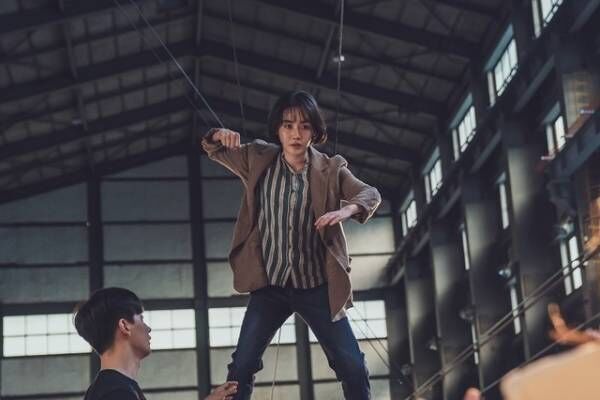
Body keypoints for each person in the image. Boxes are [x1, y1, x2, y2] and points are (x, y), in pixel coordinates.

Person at [201, 90, 382, 400]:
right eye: (288, 125)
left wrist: (347, 210)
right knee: (242, 365)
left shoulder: (331, 169)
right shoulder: (257, 159)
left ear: (315, 131)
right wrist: (219, 134)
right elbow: (213, 148)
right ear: (278, 129)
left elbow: (370, 194)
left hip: (317, 288)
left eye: (304, 126)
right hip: (270, 288)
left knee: (352, 366)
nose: (296, 134)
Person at [74, 287, 238, 400]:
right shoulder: (116, 393)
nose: (148, 328)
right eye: (141, 319)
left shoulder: (112, 388)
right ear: (124, 326)